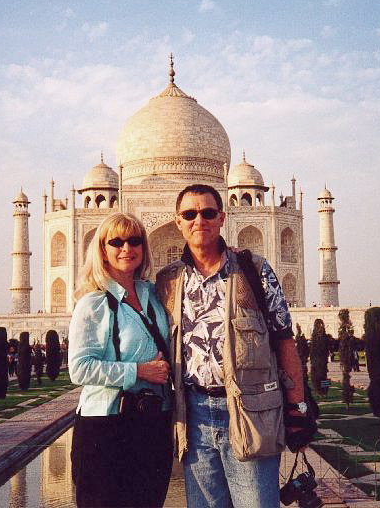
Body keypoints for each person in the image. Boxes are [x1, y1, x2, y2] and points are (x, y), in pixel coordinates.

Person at [156, 184, 307, 508]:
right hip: (192, 415)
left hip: (249, 411)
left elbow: (284, 340)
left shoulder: (253, 270)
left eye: (208, 212)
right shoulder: (168, 280)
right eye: (190, 214)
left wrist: (298, 409)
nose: (200, 220)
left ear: (222, 217)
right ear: (177, 221)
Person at [68, 212, 173, 508]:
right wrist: (139, 372)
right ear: (102, 249)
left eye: (135, 241)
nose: (127, 248)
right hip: (107, 426)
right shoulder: (93, 302)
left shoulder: (153, 294)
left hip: (152, 421)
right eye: (116, 242)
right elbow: (79, 368)